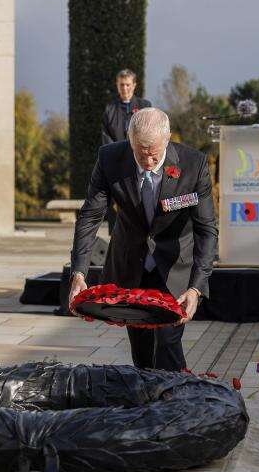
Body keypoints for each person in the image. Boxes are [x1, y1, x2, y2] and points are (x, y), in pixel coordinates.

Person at [69, 107, 217, 372]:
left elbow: (206, 229)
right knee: (141, 347)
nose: (148, 163)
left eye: (155, 155)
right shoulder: (110, 159)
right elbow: (90, 216)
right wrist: (78, 273)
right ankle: (146, 401)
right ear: (130, 140)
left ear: (168, 138)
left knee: (168, 344)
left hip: (174, 269)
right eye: (141, 154)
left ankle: (173, 402)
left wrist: (196, 287)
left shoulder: (194, 165)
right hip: (131, 264)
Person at [101, 69, 153, 145]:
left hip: (138, 153)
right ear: (117, 85)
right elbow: (105, 133)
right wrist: (115, 150)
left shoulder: (144, 106)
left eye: (128, 85)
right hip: (116, 153)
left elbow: (148, 131)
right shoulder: (110, 108)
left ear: (134, 85)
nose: (124, 88)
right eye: (121, 85)